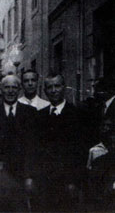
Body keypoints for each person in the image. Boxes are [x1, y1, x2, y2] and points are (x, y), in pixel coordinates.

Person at [34, 73, 84, 212]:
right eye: (50, 87)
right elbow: (34, 149)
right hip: (44, 182)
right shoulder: (39, 116)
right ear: (45, 91)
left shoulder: (77, 115)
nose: (54, 90)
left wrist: (74, 181)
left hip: (67, 182)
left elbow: (80, 151)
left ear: (64, 87)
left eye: (57, 86)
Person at [0, 75, 37, 181]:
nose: (10, 91)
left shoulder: (31, 112)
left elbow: (33, 147)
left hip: (23, 174)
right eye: (7, 87)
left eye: (14, 87)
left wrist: (30, 176)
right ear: (1, 90)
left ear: (19, 90)